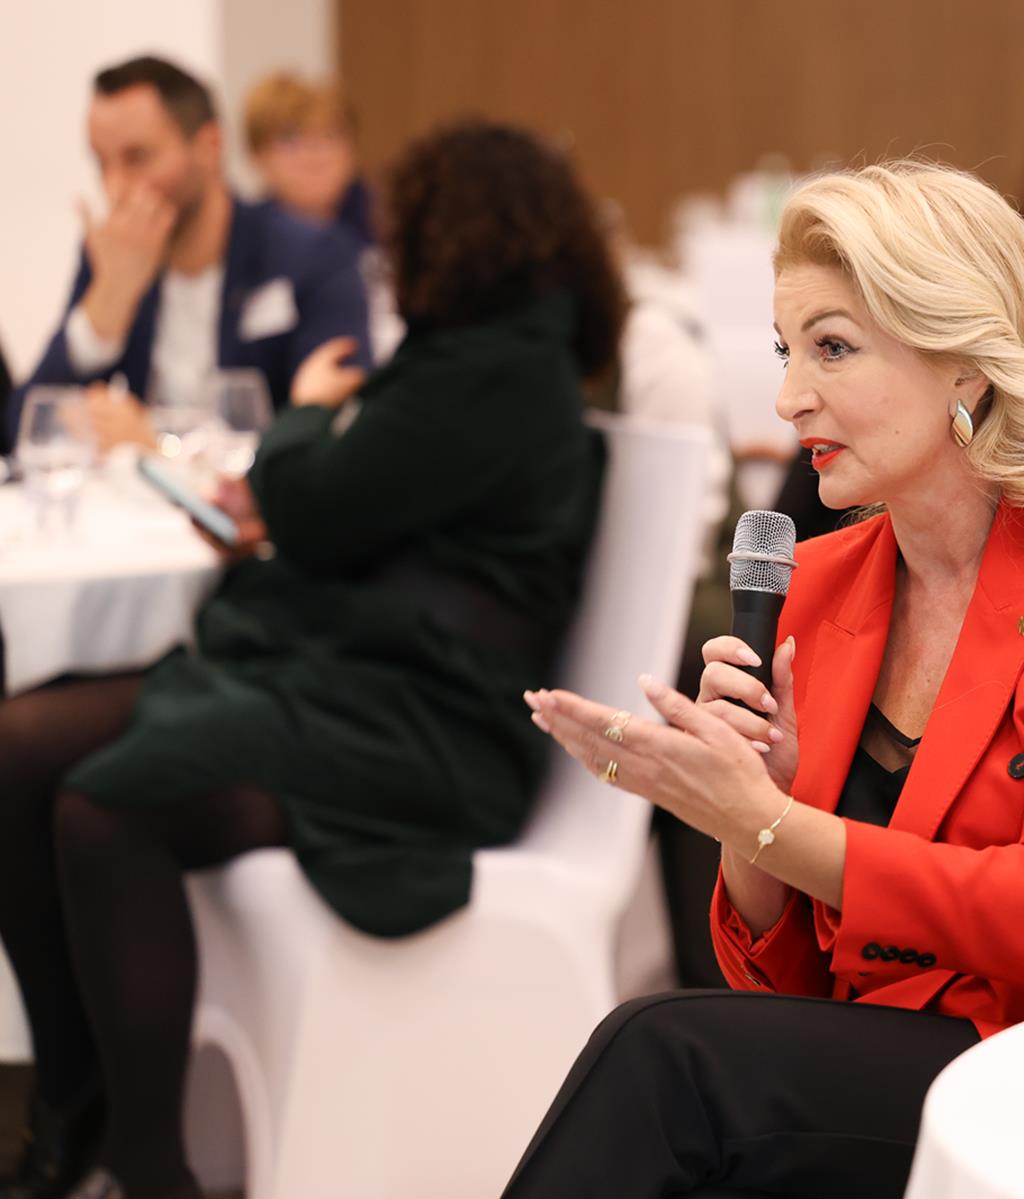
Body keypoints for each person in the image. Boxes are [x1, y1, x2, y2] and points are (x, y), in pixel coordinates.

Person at [503, 161, 1024, 1197]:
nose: (788, 398)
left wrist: (769, 822)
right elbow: (788, 983)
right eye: (787, 351)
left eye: (833, 348)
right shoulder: (818, 585)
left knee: (666, 1056)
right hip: (917, 1059)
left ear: (966, 365)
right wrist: (748, 810)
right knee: (681, 1071)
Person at [0, 120, 623, 1199]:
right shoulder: (482, 359)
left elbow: (312, 503)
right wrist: (318, 444)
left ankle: (147, 1162)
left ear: (457, 234)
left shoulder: (494, 371)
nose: (391, 252)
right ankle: (75, 1100)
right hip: (352, 678)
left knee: (108, 804)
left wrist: (302, 419)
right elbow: (339, 505)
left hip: (428, 727)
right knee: (17, 751)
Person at [5, 56, 370, 453]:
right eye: (102, 163)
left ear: (209, 146)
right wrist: (106, 305)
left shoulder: (311, 252)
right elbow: (25, 429)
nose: (115, 187)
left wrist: (163, 449)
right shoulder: (114, 251)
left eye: (137, 158)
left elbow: (340, 432)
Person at [242, 72, 374, 246]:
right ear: (258, 155)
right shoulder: (243, 239)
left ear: (352, 151)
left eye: (329, 135)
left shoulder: (388, 223)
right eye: (290, 138)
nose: (313, 152)